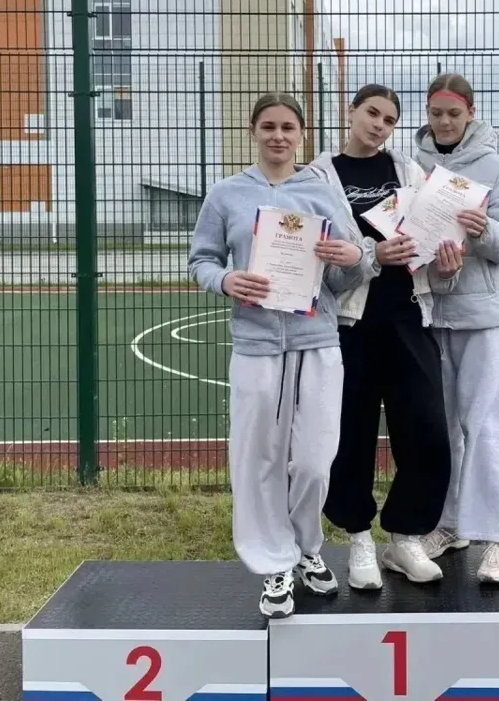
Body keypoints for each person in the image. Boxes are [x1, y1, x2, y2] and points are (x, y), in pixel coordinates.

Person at [187, 92, 372, 619]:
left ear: (301, 134)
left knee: (313, 460)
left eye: (288, 127)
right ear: (254, 131)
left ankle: (306, 546)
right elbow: (201, 260)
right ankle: (274, 563)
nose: (278, 136)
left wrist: (354, 257)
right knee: (258, 459)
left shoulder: (321, 192)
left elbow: (352, 270)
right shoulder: (226, 194)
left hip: (317, 341)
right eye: (268, 126)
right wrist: (226, 280)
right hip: (256, 344)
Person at [310, 83, 464, 590]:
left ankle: (405, 537)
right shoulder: (320, 177)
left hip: (407, 319)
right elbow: (319, 260)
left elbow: (432, 250)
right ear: (351, 111)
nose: (379, 125)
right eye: (372, 113)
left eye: (390, 120)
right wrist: (372, 255)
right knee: (349, 436)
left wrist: (446, 268)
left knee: (427, 432)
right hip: (348, 325)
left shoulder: (410, 173)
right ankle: (358, 537)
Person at [412, 73, 499, 585]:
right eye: (436, 113)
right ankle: (449, 524)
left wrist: (482, 232)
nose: (444, 123)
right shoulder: (412, 165)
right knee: (440, 432)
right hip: (428, 313)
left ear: (470, 114)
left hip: (480, 318)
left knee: (487, 427)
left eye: (453, 114)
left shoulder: (494, 167)